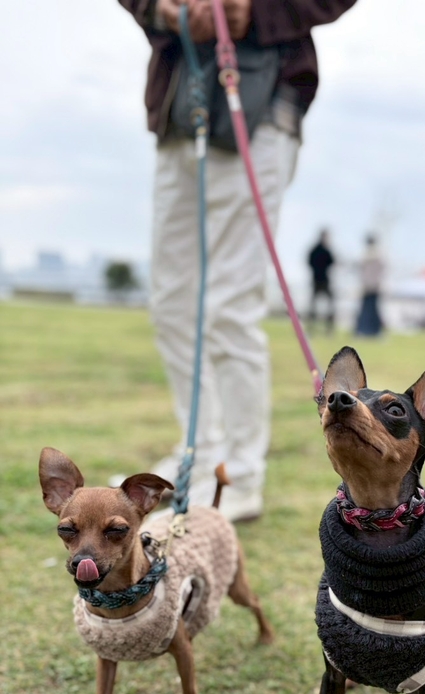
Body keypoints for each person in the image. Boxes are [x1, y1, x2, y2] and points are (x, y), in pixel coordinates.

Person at [118, 0, 357, 521]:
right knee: (171, 302)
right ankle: (199, 455)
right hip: (180, 98)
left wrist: (258, 10)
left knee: (229, 303)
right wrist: (161, 9)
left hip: (264, 98)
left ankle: (240, 477)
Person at [355, 234, 385, 336]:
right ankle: (375, 331)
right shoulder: (378, 255)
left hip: (367, 287)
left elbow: (361, 271)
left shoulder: (365, 256)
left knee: (366, 310)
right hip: (374, 286)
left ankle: (362, 330)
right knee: (373, 310)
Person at [307, 229, 336, 332]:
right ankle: (313, 327)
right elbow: (332, 262)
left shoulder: (316, 250)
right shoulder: (322, 250)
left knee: (327, 304)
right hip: (320, 280)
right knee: (314, 305)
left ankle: (327, 327)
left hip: (320, 279)